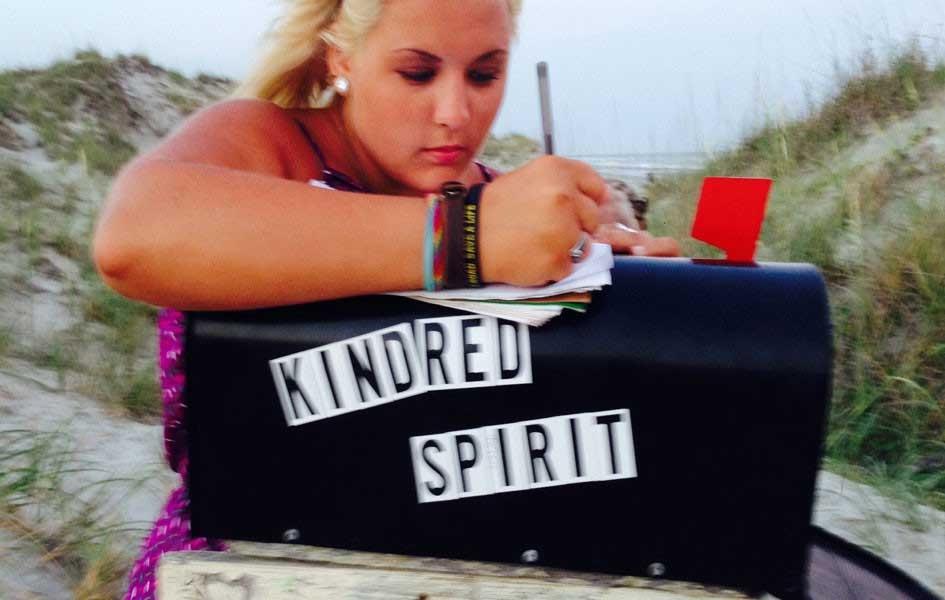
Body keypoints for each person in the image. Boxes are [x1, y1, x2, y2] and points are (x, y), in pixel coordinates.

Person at [92, 0, 680, 597]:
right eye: (418, 74)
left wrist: (621, 296)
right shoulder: (274, 146)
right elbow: (134, 237)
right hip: (245, 571)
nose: (456, 113)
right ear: (340, 55)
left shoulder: (512, 212)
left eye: (483, 74)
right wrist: (465, 239)